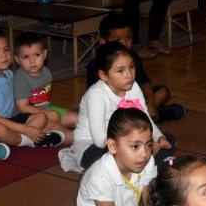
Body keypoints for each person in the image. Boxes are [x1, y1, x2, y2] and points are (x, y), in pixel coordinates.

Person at [0, 27, 65, 161]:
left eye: (6, 50)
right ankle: (31, 141)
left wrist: (30, 121)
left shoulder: (8, 74)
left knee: (41, 117)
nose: (3, 55)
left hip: (9, 121)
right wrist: (25, 129)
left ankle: (7, 143)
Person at [71, 42, 169, 171]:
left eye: (131, 67)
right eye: (120, 71)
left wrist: (158, 137)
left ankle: (139, 161)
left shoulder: (133, 87)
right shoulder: (97, 95)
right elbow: (100, 140)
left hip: (127, 142)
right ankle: (143, 162)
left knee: (169, 141)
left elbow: (145, 119)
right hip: (93, 148)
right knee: (111, 157)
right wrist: (141, 144)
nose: (129, 75)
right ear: (104, 75)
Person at [84, 12, 185, 122]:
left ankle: (147, 115)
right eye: (117, 40)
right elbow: (95, 98)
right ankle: (159, 115)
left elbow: (144, 81)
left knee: (162, 92)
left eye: (128, 38)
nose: (124, 43)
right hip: (112, 107)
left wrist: (151, 102)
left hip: (134, 100)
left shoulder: (132, 57)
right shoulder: (96, 65)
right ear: (103, 42)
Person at [12, 31, 78, 139]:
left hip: (47, 109)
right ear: (17, 59)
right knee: (64, 132)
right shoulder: (21, 78)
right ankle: (67, 135)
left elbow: (45, 100)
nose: (32, 61)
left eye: (37, 55)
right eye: (26, 57)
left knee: (76, 118)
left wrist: (49, 112)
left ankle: (53, 130)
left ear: (45, 54)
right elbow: (22, 107)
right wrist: (46, 113)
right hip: (30, 117)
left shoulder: (46, 72)